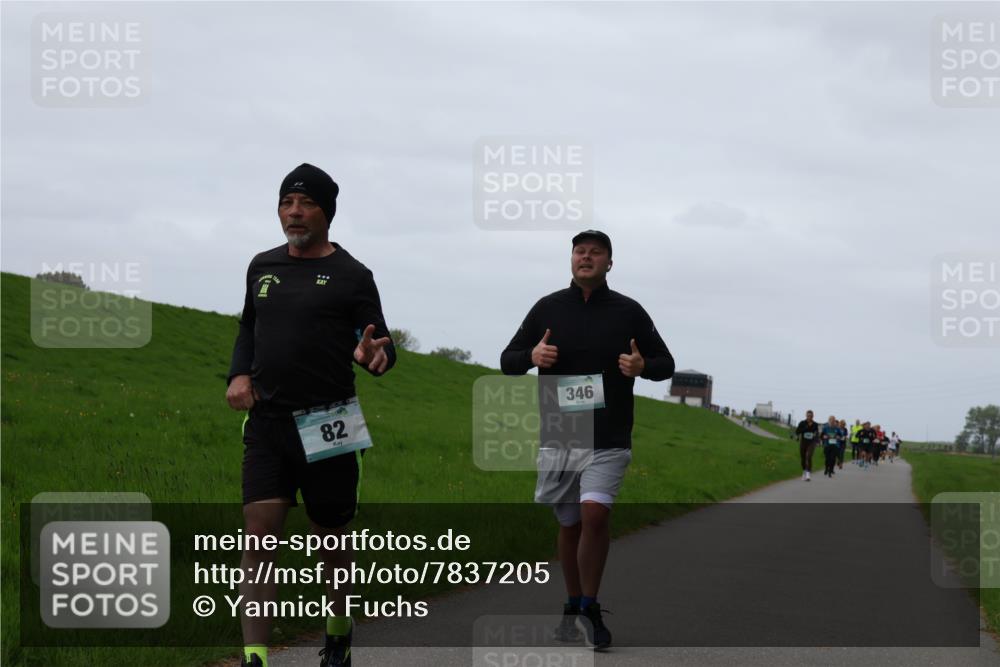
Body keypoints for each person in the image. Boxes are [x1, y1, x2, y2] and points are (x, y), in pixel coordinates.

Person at [226, 164, 396, 667]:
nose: (293, 213)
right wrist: (238, 375)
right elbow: (247, 329)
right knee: (259, 537)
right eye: (286, 203)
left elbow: (379, 341)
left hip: (329, 421)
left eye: (305, 204)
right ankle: (254, 656)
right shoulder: (262, 265)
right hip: (268, 423)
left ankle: (339, 633)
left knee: (332, 541)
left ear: (327, 212)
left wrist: (374, 357)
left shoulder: (352, 275)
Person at [500, 230, 675, 651]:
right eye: (580, 251)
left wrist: (641, 365)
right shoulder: (547, 308)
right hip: (560, 435)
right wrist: (531, 358)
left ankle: (591, 608)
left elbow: (666, 364)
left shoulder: (629, 311)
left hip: (609, 434)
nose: (587, 257)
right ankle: (573, 603)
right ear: (571, 259)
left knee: (594, 514)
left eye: (596, 252)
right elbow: (508, 360)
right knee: (570, 523)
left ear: (609, 263)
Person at [794, 410, 820, 481]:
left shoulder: (815, 424)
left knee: (808, 456)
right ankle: (804, 471)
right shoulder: (802, 423)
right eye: (808, 416)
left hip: (811, 442)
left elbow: (817, 433)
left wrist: (818, 441)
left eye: (811, 416)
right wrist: (797, 436)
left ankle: (808, 473)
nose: (809, 417)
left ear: (813, 416)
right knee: (803, 457)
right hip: (803, 442)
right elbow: (797, 431)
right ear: (806, 416)